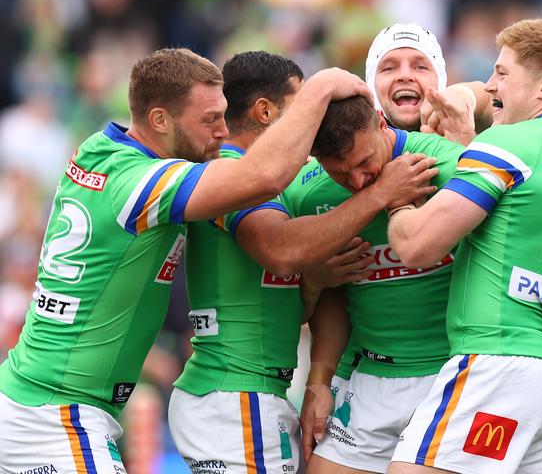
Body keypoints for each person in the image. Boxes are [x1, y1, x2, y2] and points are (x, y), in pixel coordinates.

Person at [0, 47, 370, 472]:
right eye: (210, 119)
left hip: (43, 399)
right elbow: (264, 178)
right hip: (54, 412)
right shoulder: (138, 179)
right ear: (159, 120)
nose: (222, 130)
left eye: (224, 115)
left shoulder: (103, 153)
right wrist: (320, 89)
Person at [298, 22, 542, 474]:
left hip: (461, 370)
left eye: (420, 65)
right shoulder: (310, 187)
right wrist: (315, 299)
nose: (356, 181)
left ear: (442, 83)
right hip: (371, 377)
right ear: (371, 88)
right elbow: (318, 288)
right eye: (388, 67)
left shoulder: (471, 158)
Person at [167, 51, 436, 473]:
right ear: (266, 111)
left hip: (252, 392)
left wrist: (313, 283)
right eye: (305, 107)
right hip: (235, 394)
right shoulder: (229, 174)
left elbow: (284, 299)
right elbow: (282, 251)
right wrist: (381, 193)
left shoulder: (260, 184)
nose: (316, 130)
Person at [386, 18, 542, 473]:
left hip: (498, 362)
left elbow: (417, 247)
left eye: (503, 73)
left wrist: (395, 202)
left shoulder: (508, 144)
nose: (490, 84)